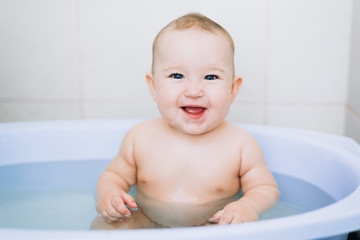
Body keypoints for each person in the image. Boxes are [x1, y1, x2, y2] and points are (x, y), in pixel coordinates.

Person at [91, 13, 279, 229]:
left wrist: (249, 206)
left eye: (210, 77)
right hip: (147, 222)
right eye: (177, 76)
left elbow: (265, 187)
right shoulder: (139, 137)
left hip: (212, 228)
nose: (194, 91)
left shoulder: (240, 144)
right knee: (104, 226)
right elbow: (113, 175)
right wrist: (109, 194)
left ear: (233, 89)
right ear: (153, 86)